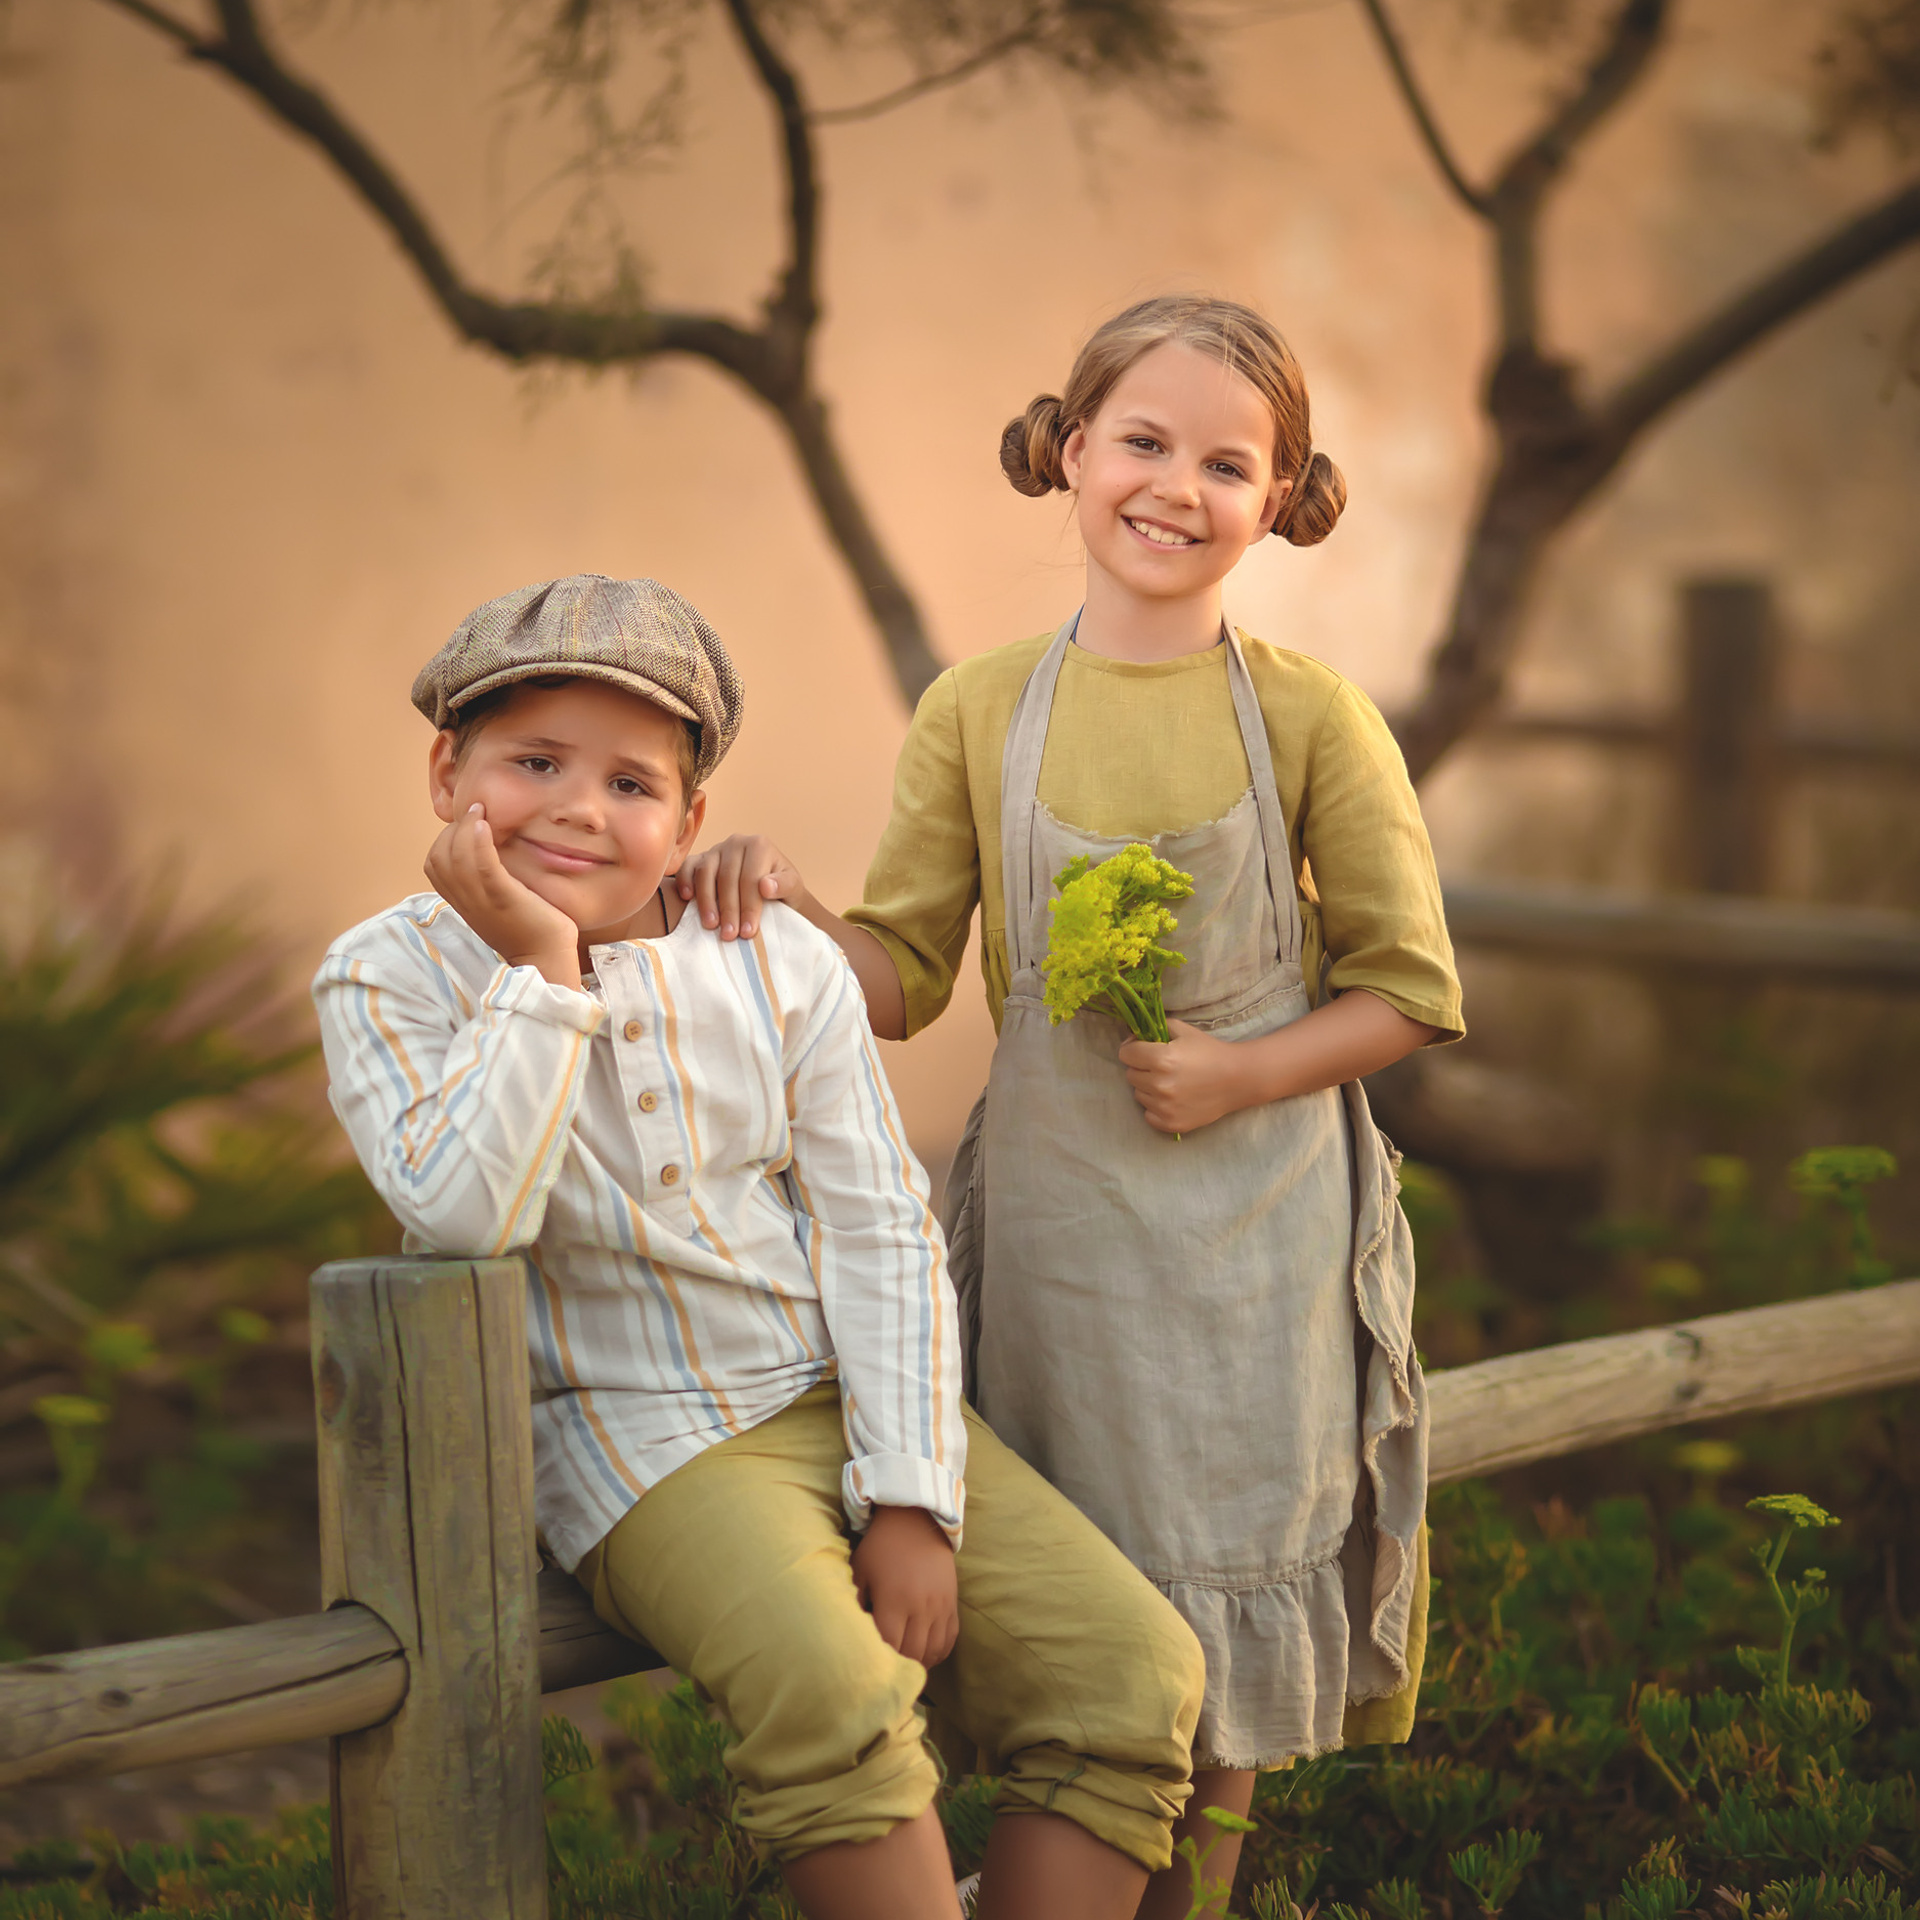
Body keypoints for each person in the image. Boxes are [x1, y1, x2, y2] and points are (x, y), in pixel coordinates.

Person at [680, 296, 1464, 1917]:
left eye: (1228, 463)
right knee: (1095, 1631)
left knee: (1225, 1632)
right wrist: (786, 904)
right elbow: (898, 979)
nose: (1176, 486)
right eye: (1145, 442)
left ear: (1281, 496)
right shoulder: (975, 708)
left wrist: (1245, 1068)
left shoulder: (1317, 716)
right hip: (1057, 1245)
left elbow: (1409, 990)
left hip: (1258, 1251)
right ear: (1071, 452)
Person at [312, 574, 1207, 1920]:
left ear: (690, 821)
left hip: (837, 1395)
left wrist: (909, 1492)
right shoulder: (385, 975)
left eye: (631, 783)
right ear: (450, 771)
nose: (577, 808)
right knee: (831, 1697)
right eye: (534, 762)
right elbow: (464, 1214)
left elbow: (878, 1225)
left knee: (1132, 1671)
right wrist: (543, 976)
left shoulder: (773, 958)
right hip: (635, 1443)